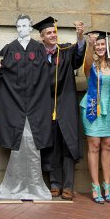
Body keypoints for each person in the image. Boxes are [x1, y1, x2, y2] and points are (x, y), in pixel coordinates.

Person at [0, 14, 52, 200]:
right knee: (18, 145)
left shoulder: (39, 48)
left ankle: (35, 185)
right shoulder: (10, 48)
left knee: (34, 145)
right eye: (18, 26)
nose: (22, 29)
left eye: (25, 25)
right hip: (15, 104)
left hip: (36, 105)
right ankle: (15, 184)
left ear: (30, 27)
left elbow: (46, 77)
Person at [38, 17, 86, 201]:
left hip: (65, 104)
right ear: (42, 37)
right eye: (49, 33)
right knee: (51, 146)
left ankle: (68, 186)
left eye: (54, 32)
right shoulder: (38, 54)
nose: (53, 35)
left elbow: (78, 57)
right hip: (46, 107)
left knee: (67, 145)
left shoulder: (65, 50)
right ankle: (54, 184)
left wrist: (80, 36)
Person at [80, 30, 110, 204]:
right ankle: (95, 186)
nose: (100, 47)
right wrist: (89, 45)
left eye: (102, 44)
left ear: (107, 46)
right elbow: (87, 62)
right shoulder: (91, 65)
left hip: (108, 108)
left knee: (108, 144)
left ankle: (107, 185)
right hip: (92, 107)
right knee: (95, 145)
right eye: (97, 44)